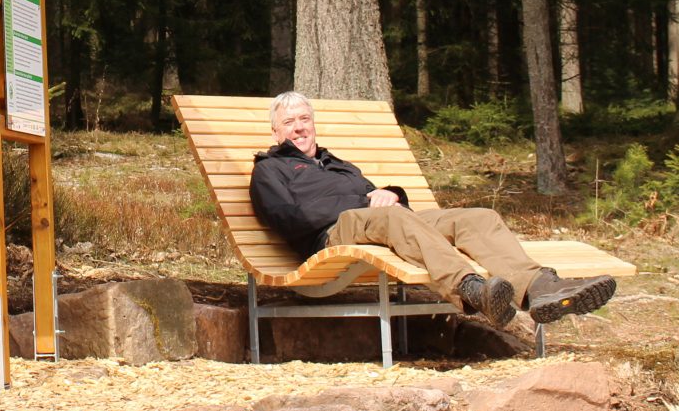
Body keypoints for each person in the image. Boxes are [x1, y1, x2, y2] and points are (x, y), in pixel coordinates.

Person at [249, 91, 616, 328]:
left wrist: (390, 193)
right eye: (289, 122)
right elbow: (287, 219)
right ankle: (471, 290)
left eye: (304, 119)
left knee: (478, 218)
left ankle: (540, 288)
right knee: (390, 216)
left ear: (313, 123)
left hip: (379, 221)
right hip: (331, 234)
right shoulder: (270, 169)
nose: (299, 128)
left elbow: (375, 195)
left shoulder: (337, 164)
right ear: (276, 132)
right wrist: (365, 205)